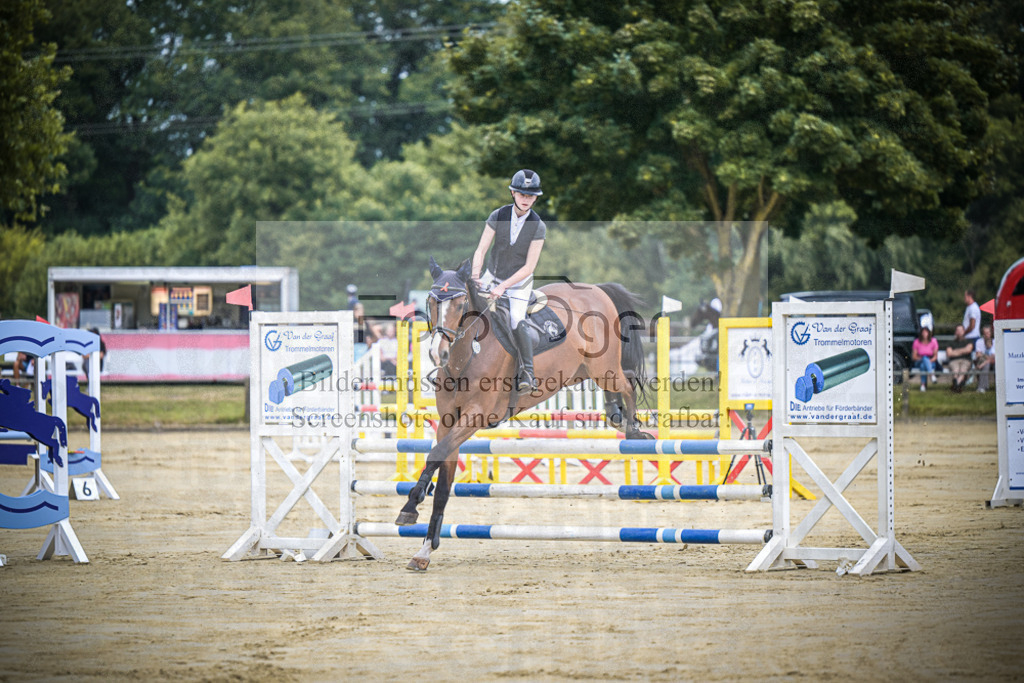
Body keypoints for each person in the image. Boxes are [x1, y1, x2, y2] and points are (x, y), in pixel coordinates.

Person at [471, 169, 547, 392]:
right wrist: (476, 275)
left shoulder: (538, 226)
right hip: (491, 276)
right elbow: (481, 248)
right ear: (513, 193)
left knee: (515, 318)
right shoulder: (498, 215)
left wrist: (504, 286)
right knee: (470, 310)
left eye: (531, 196)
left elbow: (529, 267)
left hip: (518, 283)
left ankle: (528, 373)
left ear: (535, 197)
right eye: (522, 194)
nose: (526, 199)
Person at [945, 324, 974, 393]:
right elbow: (949, 353)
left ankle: (956, 385)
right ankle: (958, 385)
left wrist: (955, 351)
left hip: (966, 360)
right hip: (954, 361)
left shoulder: (969, 341)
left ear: (964, 331)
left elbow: (968, 350)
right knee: (956, 369)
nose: (959, 332)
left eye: (961, 330)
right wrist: (963, 350)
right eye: (958, 330)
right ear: (955, 332)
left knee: (963, 369)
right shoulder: (951, 343)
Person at [911, 326, 938, 391]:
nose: (924, 334)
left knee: (923, 366)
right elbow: (914, 357)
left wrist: (928, 361)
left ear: (929, 333)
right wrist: (924, 359)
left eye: (926, 332)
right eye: (923, 332)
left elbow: (935, 356)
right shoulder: (917, 342)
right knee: (924, 358)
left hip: (931, 362)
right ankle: (932, 375)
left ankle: (923, 385)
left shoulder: (933, 341)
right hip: (919, 360)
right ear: (921, 333)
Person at [973, 324, 996, 393]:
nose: (987, 335)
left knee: (996, 366)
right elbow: (978, 354)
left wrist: (984, 357)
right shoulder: (979, 342)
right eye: (985, 333)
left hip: (993, 361)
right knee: (986, 365)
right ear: (983, 334)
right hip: (983, 361)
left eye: (988, 332)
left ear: (991, 333)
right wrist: (986, 357)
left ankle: (998, 387)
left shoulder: (995, 342)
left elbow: (994, 356)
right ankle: (982, 387)